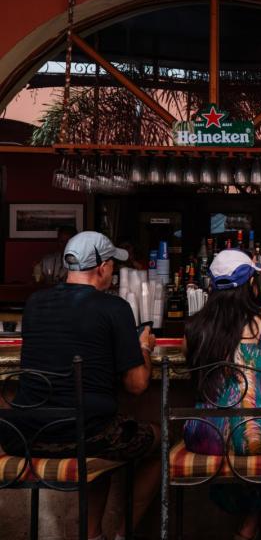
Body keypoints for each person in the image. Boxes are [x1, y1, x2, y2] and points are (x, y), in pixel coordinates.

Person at [8, 231, 159, 540]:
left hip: (25, 434)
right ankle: (121, 535)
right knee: (160, 439)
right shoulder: (114, 308)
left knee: (101, 442)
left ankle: (92, 536)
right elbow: (137, 384)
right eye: (112, 267)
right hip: (87, 435)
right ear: (102, 267)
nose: (113, 274)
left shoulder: (35, 303)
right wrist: (144, 347)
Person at [184, 249, 261, 540]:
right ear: (251, 284)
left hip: (204, 433)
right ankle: (251, 525)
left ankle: (250, 524)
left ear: (211, 287)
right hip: (257, 431)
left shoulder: (194, 328)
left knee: (257, 438)